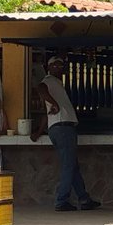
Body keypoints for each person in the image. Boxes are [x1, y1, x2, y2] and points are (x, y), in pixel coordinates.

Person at [31, 55, 101, 212]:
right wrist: (55, 103)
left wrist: (38, 131)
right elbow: (40, 88)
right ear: (48, 67)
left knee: (72, 166)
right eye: (54, 65)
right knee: (68, 166)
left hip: (58, 128)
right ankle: (61, 201)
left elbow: (46, 112)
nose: (58, 67)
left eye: (60, 65)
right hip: (63, 129)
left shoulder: (56, 84)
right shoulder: (48, 81)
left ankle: (84, 199)